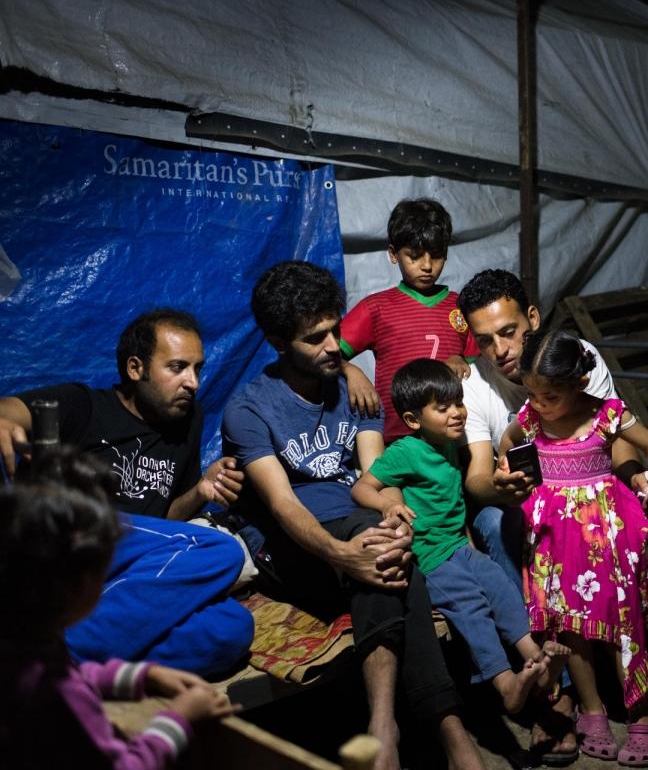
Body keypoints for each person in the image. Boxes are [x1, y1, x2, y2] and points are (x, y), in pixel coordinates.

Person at [221, 261, 483, 770]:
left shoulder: (352, 391)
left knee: (385, 544)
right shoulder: (248, 409)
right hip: (294, 546)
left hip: (359, 532)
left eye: (335, 330)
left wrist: (393, 510)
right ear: (277, 341)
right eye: (314, 338)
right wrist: (342, 555)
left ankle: (387, 727)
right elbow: (283, 505)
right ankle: (441, 730)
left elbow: (370, 478)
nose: (333, 346)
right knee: (379, 551)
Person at [457, 268, 648, 762]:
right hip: (528, 505)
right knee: (496, 521)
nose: (501, 349)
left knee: (625, 512)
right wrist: (503, 485)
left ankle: (634, 693)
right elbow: (479, 477)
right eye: (485, 341)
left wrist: (637, 475)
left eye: (508, 332)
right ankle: (560, 691)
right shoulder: (474, 385)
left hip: (589, 498)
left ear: (532, 317)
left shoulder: (576, 359)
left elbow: (611, 441)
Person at [0, 308, 254, 676]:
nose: (193, 382)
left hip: (127, 575)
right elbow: (12, 410)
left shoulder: (188, 420)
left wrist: (200, 491)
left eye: (198, 368)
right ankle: (60, 654)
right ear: (135, 368)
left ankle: (64, 650)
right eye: (178, 367)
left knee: (231, 627)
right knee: (221, 549)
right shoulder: (84, 406)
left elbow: (166, 526)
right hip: (72, 549)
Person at [499, 329, 648, 767]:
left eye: (549, 395)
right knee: (570, 632)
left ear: (579, 384)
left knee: (624, 624)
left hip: (608, 539)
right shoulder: (530, 418)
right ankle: (593, 710)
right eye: (533, 394)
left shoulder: (607, 415)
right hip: (552, 541)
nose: (539, 404)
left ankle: (644, 712)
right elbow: (507, 448)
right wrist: (509, 473)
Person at [351, 359, 570, 713]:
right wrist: (387, 506)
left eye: (458, 403)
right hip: (431, 558)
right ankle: (505, 683)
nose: (457, 413)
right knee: (471, 604)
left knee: (498, 583)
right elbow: (362, 487)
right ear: (412, 421)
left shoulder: (451, 442)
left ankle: (535, 657)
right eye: (443, 408)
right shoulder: (405, 452)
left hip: (459, 547)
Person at [0, 449, 237, 770]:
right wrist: (179, 718)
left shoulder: (25, 645)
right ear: (82, 587)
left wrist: (141, 675)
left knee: (232, 623)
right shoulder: (67, 699)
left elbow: (68, 673)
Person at [340, 199, 478, 444]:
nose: (426, 266)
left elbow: (482, 374)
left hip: (454, 442)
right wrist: (352, 372)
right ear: (394, 254)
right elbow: (327, 351)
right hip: (394, 439)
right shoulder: (376, 308)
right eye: (414, 256)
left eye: (436, 256)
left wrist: (463, 361)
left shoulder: (461, 307)